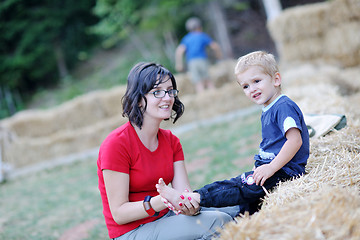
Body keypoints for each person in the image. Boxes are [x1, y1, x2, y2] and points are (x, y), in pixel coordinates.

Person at [97, 62, 238, 240]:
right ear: (139, 99)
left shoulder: (171, 141)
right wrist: (162, 200)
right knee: (219, 221)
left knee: (236, 209)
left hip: (167, 217)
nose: (167, 98)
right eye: (157, 92)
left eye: (170, 91)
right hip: (132, 231)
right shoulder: (116, 144)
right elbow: (119, 213)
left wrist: (188, 204)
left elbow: (183, 194)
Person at [157, 51, 310, 215]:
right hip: (272, 169)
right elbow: (270, 144)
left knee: (239, 187)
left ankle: (195, 199)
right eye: (245, 86)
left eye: (257, 81)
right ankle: (203, 202)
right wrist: (260, 165)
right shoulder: (269, 108)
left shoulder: (283, 106)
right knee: (246, 200)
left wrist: (270, 168)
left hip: (284, 172)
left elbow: (295, 141)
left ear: (276, 79)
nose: (252, 89)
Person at [175, 17, 222, 93]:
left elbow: (179, 51)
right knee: (208, 80)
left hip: (191, 62)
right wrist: (219, 55)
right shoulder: (202, 35)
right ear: (199, 27)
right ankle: (214, 95)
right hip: (202, 60)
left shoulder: (186, 38)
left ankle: (203, 98)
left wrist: (179, 64)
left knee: (198, 83)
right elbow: (214, 46)